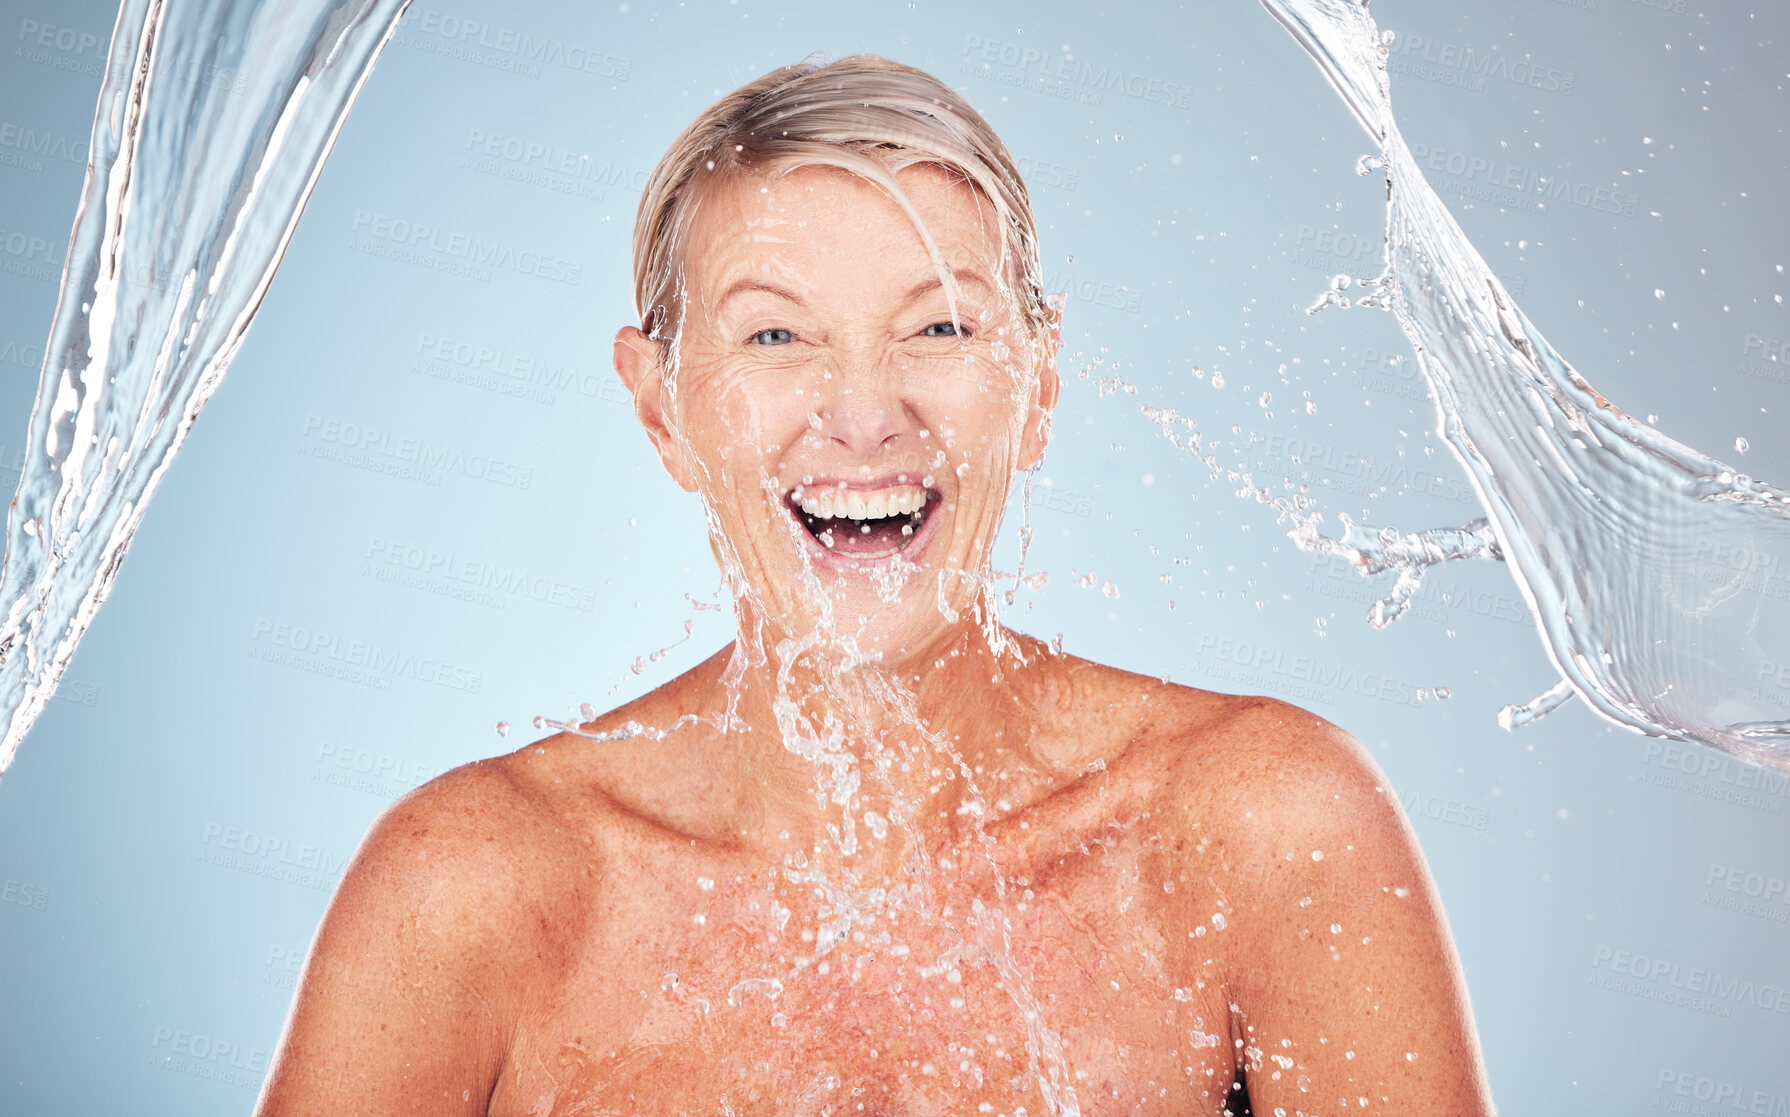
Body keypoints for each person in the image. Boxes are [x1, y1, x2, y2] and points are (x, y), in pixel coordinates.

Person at [255, 54, 1496, 1117]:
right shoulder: (472, 891)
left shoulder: (1258, 830)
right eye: (774, 335)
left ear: (1038, 383)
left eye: (940, 328)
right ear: (660, 408)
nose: (861, 415)